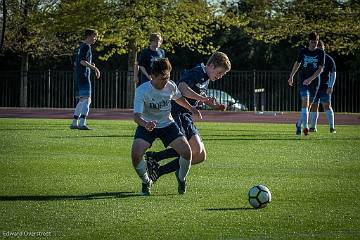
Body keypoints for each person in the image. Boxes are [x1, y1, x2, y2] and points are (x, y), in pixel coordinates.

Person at [145, 52, 231, 190]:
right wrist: (202, 99)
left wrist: (212, 104)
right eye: (220, 72)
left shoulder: (206, 77)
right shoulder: (198, 72)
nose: (220, 76)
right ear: (211, 66)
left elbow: (198, 95)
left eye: (222, 75)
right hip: (177, 112)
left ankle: (157, 167)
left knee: (200, 155)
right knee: (190, 149)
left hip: (186, 115)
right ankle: (155, 158)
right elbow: (182, 88)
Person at [131, 58, 202, 196]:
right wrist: (146, 124)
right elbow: (136, 116)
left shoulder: (171, 86)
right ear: (153, 76)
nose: (166, 81)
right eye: (163, 78)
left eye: (168, 76)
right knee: (135, 156)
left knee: (187, 152)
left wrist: (191, 108)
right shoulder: (142, 90)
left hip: (168, 124)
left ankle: (181, 178)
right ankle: (146, 182)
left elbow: (178, 98)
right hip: (147, 126)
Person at [288, 32, 325, 136]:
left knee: (308, 107)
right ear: (309, 41)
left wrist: (311, 79)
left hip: (314, 83)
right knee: (305, 102)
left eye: (316, 42)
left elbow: (321, 69)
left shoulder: (321, 53)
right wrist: (291, 76)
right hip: (303, 81)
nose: (314, 44)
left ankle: (298, 124)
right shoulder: (303, 51)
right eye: (313, 42)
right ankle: (306, 127)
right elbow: (297, 63)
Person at [70, 29, 100, 130]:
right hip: (83, 77)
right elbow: (82, 62)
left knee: (82, 100)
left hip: (79, 76)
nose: (95, 38)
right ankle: (82, 123)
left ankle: (74, 123)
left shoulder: (82, 46)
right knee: (87, 100)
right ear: (89, 36)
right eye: (94, 36)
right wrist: (94, 68)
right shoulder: (86, 46)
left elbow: (79, 62)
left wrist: (90, 65)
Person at [309, 40, 337, 133]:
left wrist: (330, 85)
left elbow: (333, 73)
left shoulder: (329, 59)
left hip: (325, 86)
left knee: (327, 106)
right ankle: (313, 127)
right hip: (314, 87)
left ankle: (332, 128)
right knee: (314, 106)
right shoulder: (313, 58)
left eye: (321, 48)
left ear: (324, 48)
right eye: (318, 48)